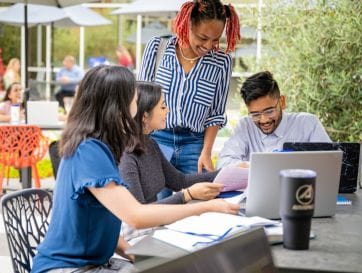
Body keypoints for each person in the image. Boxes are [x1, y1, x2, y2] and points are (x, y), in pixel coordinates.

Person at [31, 65, 239, 273]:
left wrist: (133, 254)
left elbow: (101, 222)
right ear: (118, 105)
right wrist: (205, 207)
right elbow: (136, 216)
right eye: (133, 96)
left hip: (96, 263)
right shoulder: (88, 151)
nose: (137, 102)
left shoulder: (99, 146)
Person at [138, 0, 241, 177]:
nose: (208, 46)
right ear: (188, 25)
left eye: (215, 40)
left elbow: (215, 113)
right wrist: (140, 144)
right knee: (158, 203)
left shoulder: (221, 62)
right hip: (156, 140)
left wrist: (206, 153)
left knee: (198, 199)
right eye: (203, 38)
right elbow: (141, 100)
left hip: (194, 144)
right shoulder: (157, 48)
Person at [120, 81, 224, 205]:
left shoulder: (149, 143)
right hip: (143, 223)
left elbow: (180, 181)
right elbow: (138, 212)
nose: (168, 110)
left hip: (155, 222)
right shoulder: (125, 156)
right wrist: (188, 195)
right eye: (162, 107)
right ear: (145, 116)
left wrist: (227, 171)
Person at [217, 71, 332, 169]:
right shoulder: (245, 126)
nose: (263, 120)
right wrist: (256, 166)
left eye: (269, 111)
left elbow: (330, 163)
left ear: (282, 102)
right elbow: (223, 163)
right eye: (255, 114)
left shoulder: (308, 124)